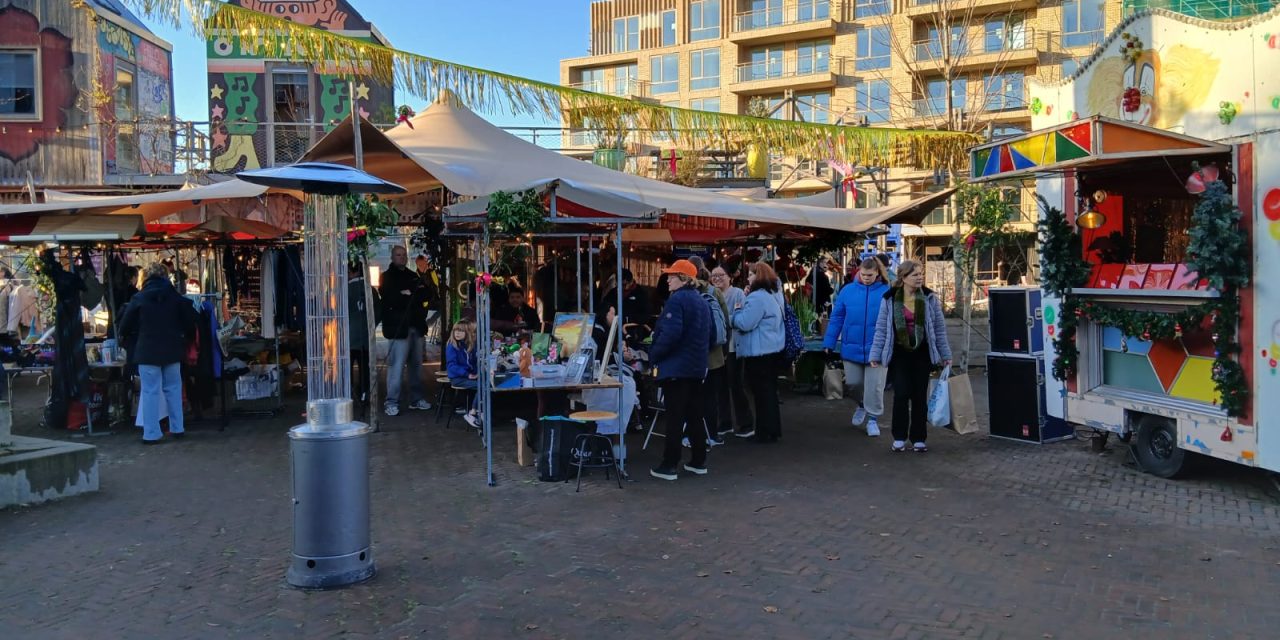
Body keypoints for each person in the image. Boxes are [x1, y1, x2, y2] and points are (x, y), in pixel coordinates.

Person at [870, 260, 952, 453]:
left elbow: (939, 329)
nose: (919, 278)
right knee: (901, 394)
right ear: (903, 277)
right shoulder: (889, 298)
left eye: (921, 274)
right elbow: (881, 329)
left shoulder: (929, 297)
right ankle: (899, 437)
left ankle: (918, 438)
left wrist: (945, 354)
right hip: (899, 353)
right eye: (915, 275)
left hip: (922, 353)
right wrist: (875, 354)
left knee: (919, 396)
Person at [648, 259, 713, 481]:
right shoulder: (702, 301)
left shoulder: (677, 302)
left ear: (683, 278)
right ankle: (698, 460)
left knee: (674, 417)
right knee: (694, 415)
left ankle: (669, 464)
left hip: (676, 367)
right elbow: (711, 336)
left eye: (672, 275)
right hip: (696, 367)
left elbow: (671, 334)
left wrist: (654, 354)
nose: (667, 279)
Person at [120, 262, 198, 444]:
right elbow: (189, 324)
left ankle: (151, 433)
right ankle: (178, 428)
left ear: (145, 277)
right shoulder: (176, 297)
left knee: (150, 391)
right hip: (172, 349)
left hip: (147, 351)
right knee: (173, 389)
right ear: (165, 276)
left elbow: (124, 326)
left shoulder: (139, 298)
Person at [824, 258, 891, 436]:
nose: (866, 278)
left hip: (878, 348)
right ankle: (862, 404)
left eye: (870, 275)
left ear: (878, 273)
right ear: (858, 272)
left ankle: (873, 419)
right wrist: (829, 342)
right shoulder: (848, 291)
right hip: (851, 347)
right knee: (853, 383)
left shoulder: (888, 292)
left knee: (875, 386)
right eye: (863, 274)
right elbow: (837, 317)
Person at [730, 262, 786, 443]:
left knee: (761, 394)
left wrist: (735, 313)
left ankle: (764, 432)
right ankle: (771, 430)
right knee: (769, 392)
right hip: (772, 349)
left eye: (751, 274)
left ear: (758, 276)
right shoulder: (774, 294)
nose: (748, 278)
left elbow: (745, 323)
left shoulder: (757, 297)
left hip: (758, 351)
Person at [379, 245, 431, 416]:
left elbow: (425, 295)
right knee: (396, 366)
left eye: (404, 255)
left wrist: (407, 294)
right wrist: (407, 295)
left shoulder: (412, 276)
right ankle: (391, 401)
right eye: (398, 255)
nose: (401, 257)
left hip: (415, 325)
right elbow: (390, 298)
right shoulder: (386, 277)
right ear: (392, 257)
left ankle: (416, 399)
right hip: (398, 327)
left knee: (416, 366)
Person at [710, 265, 750, 436]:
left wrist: (722, 319)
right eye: (713, 275)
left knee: (736, 385)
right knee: (720, 386)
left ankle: (746, 423)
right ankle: (725, 422)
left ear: (729, 277)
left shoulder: (738, 294)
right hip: (718, 347)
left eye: (721, 275)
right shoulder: (711, 293)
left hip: (733, 346)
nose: (717, 278)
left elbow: (740, 318)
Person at [693, 266, 730, 446]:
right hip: (714, 355)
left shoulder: (683, 293)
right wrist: (724, 351)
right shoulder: (714, 292)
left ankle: (691, 435)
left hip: (691, 356)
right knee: (711, 397)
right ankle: (712, 434)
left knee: (692, 397)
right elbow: (725, 322)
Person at [348, 262, 380, 410]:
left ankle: (347, 396)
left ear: (351, 271)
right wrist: (371, 326)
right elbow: (379, 312)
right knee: (365, 369)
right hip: (366, 337)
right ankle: (364, 394)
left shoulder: (344, 289)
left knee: (346, 369)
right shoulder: (370, 290)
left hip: (347, 337)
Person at [445, 320, 482, 428]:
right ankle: (473, 413)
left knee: (486, 383)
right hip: (457, 378)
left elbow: (473, 362)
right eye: (456, 330)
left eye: (461, 331)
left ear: (467, 333)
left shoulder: (468, 345)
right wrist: (468, 374)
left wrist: (478, 371)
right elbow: (452, 366)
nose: (457, 333)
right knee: (482, 386)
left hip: (466, 375)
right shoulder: (452, 346)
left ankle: (481, 412)